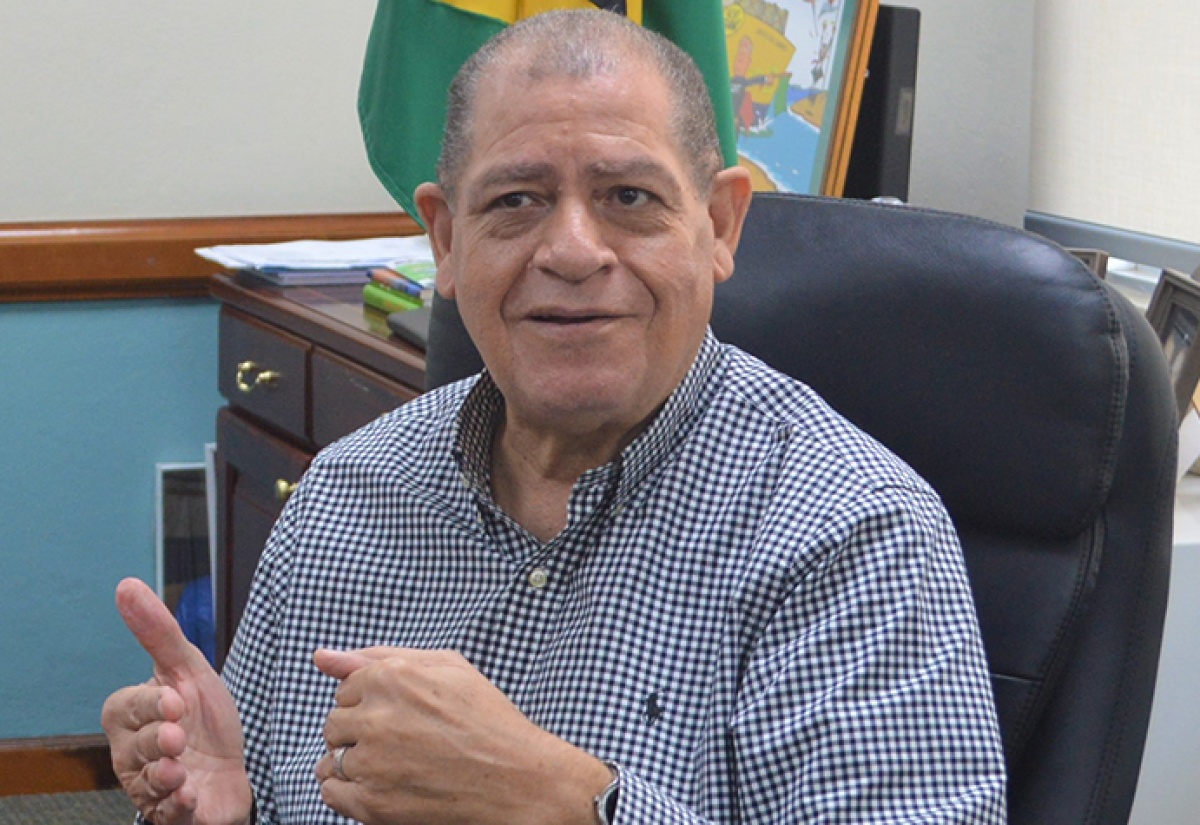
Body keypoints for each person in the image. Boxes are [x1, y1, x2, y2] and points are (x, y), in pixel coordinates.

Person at [102, 10, 1006, 824]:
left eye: (629, 197)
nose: (573, 251)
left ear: (721, 225)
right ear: (448, 241)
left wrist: (566, 804)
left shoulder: (850, 530)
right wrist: (229, 803)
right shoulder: (348, 496)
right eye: (517, 201)